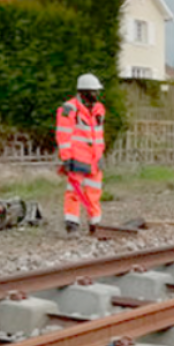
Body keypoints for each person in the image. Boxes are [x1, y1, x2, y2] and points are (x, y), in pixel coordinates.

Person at [57, 73, 107, 235]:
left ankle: (95, 223)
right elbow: (63, 135)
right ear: (84, 91)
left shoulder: (99, 109)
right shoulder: (69, 109)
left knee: (94, 192)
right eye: (94, 91)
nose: (96, 95)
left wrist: (101, 154)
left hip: (95, 159)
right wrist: (66, 158)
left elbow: (99, 134)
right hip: (77, 158)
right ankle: (72, 224)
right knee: (74, 192)